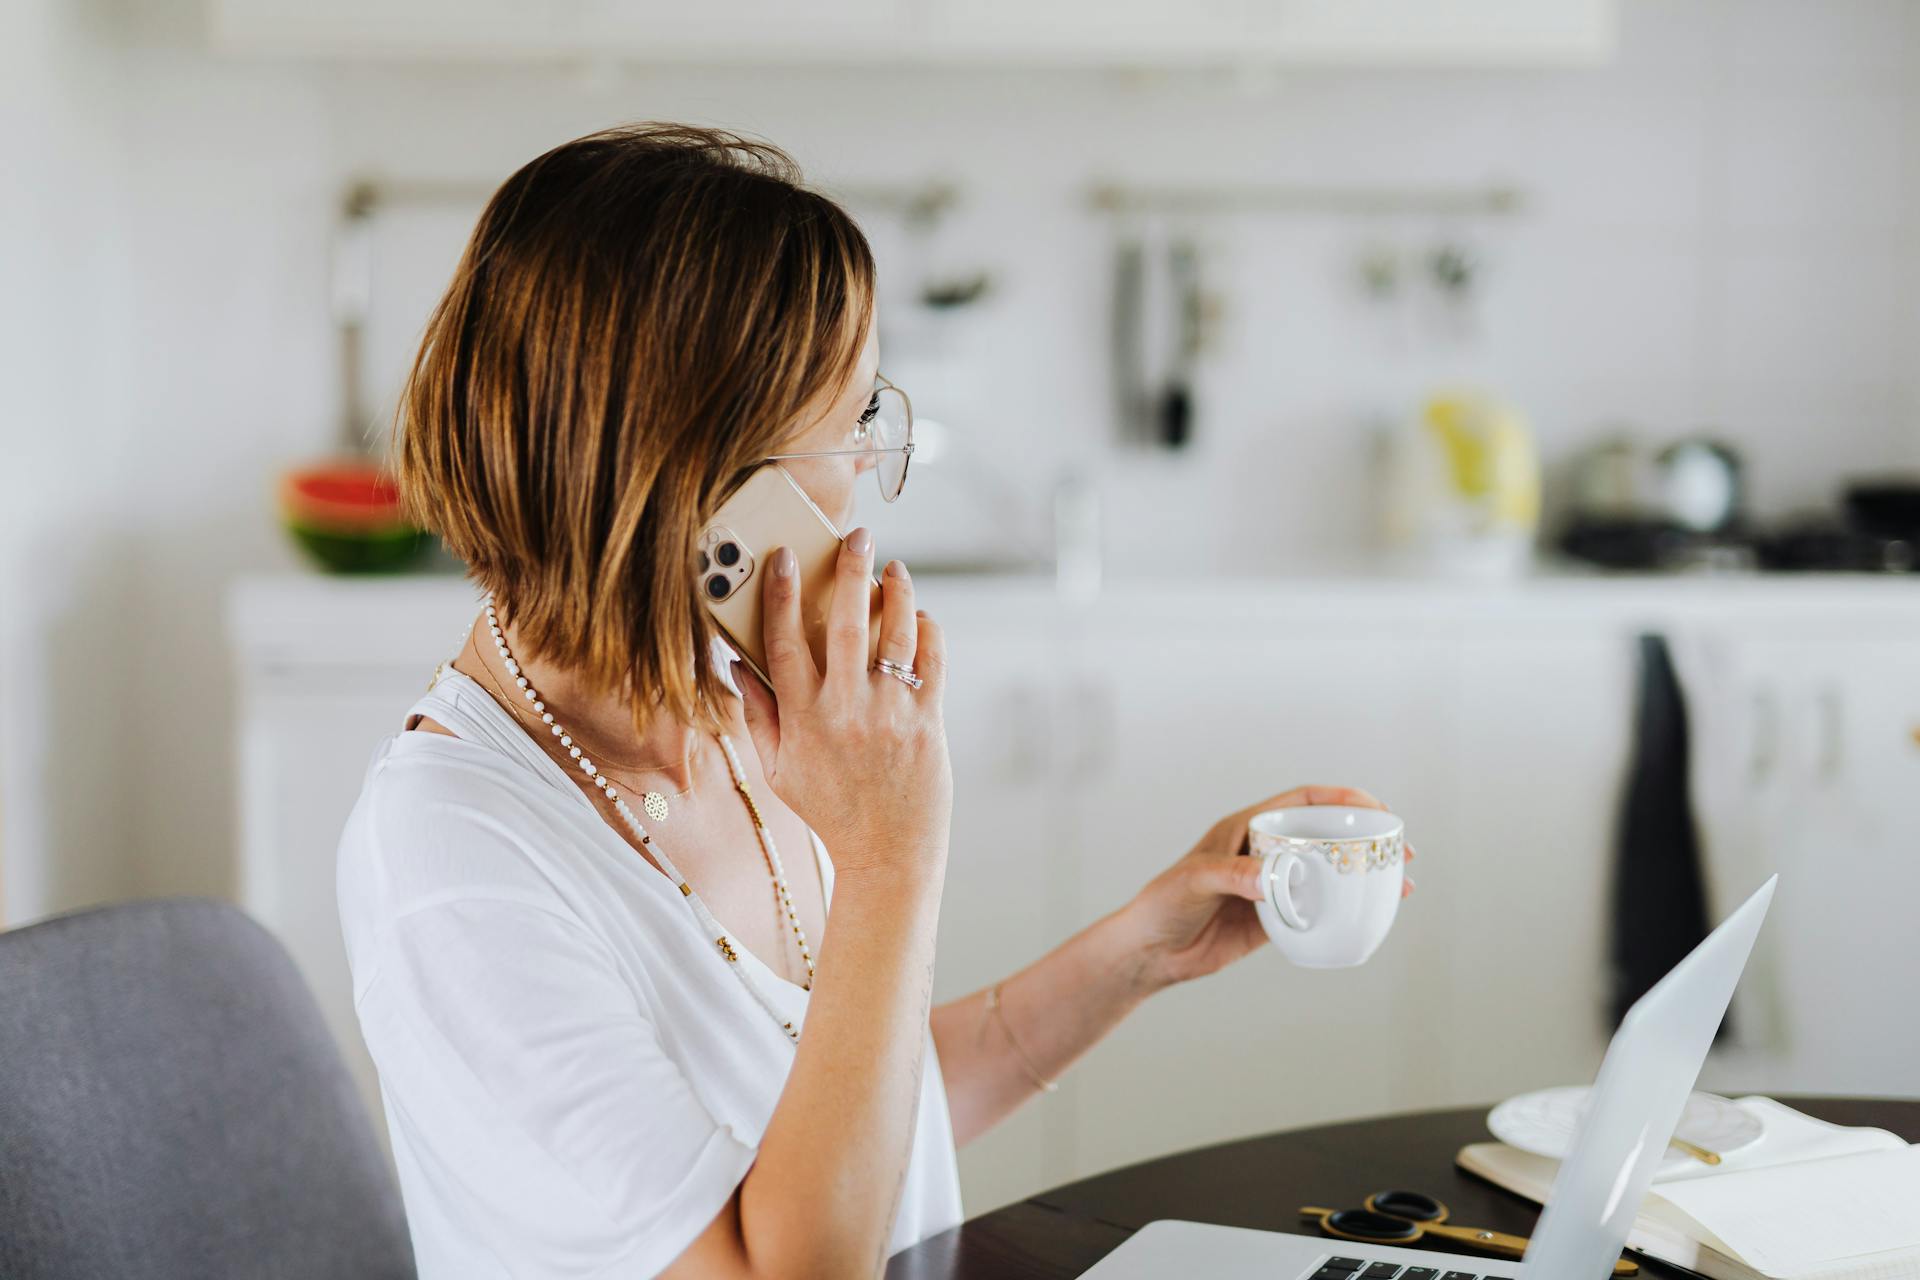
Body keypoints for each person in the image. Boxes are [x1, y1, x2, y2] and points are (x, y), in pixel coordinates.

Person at [335, 122, 1414, 1280]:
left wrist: (1142, 948)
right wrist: (895, 853)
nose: (868, 473)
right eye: (855, 423)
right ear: (701, 481)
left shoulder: (726, 710)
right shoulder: (454, 862)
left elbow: (848, 1128)